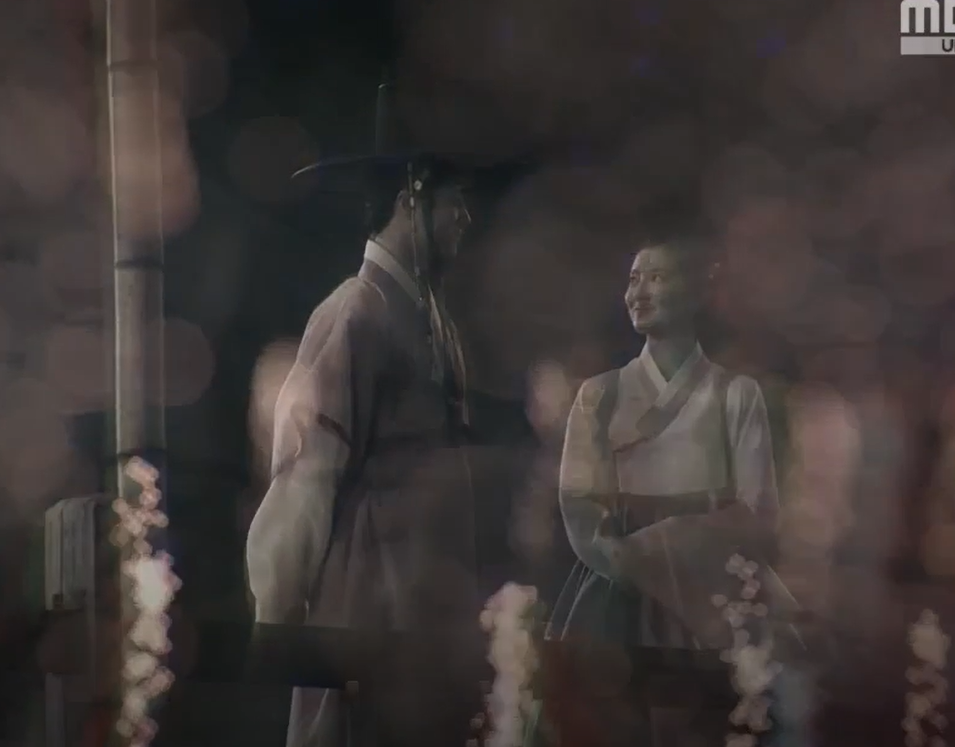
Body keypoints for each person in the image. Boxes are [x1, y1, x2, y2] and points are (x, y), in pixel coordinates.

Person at [245, 80, 508, 747]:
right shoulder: (355, 313)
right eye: (453, 202)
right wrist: (280, 608)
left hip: (431, 588)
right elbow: (307, 474)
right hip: (367, 590)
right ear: (411, 197)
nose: (464, 219)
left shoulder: (433, 321)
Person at [540, 237, 802, 746]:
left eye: (656, 278)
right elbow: (579, 503)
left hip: (713, 591)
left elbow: (758, 509)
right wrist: (620, 557)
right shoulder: (598, 395)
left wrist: (677, 540)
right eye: (633, 279)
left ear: (696, 292)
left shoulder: (737, 394)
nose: (638, 293)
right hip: (617, 588)